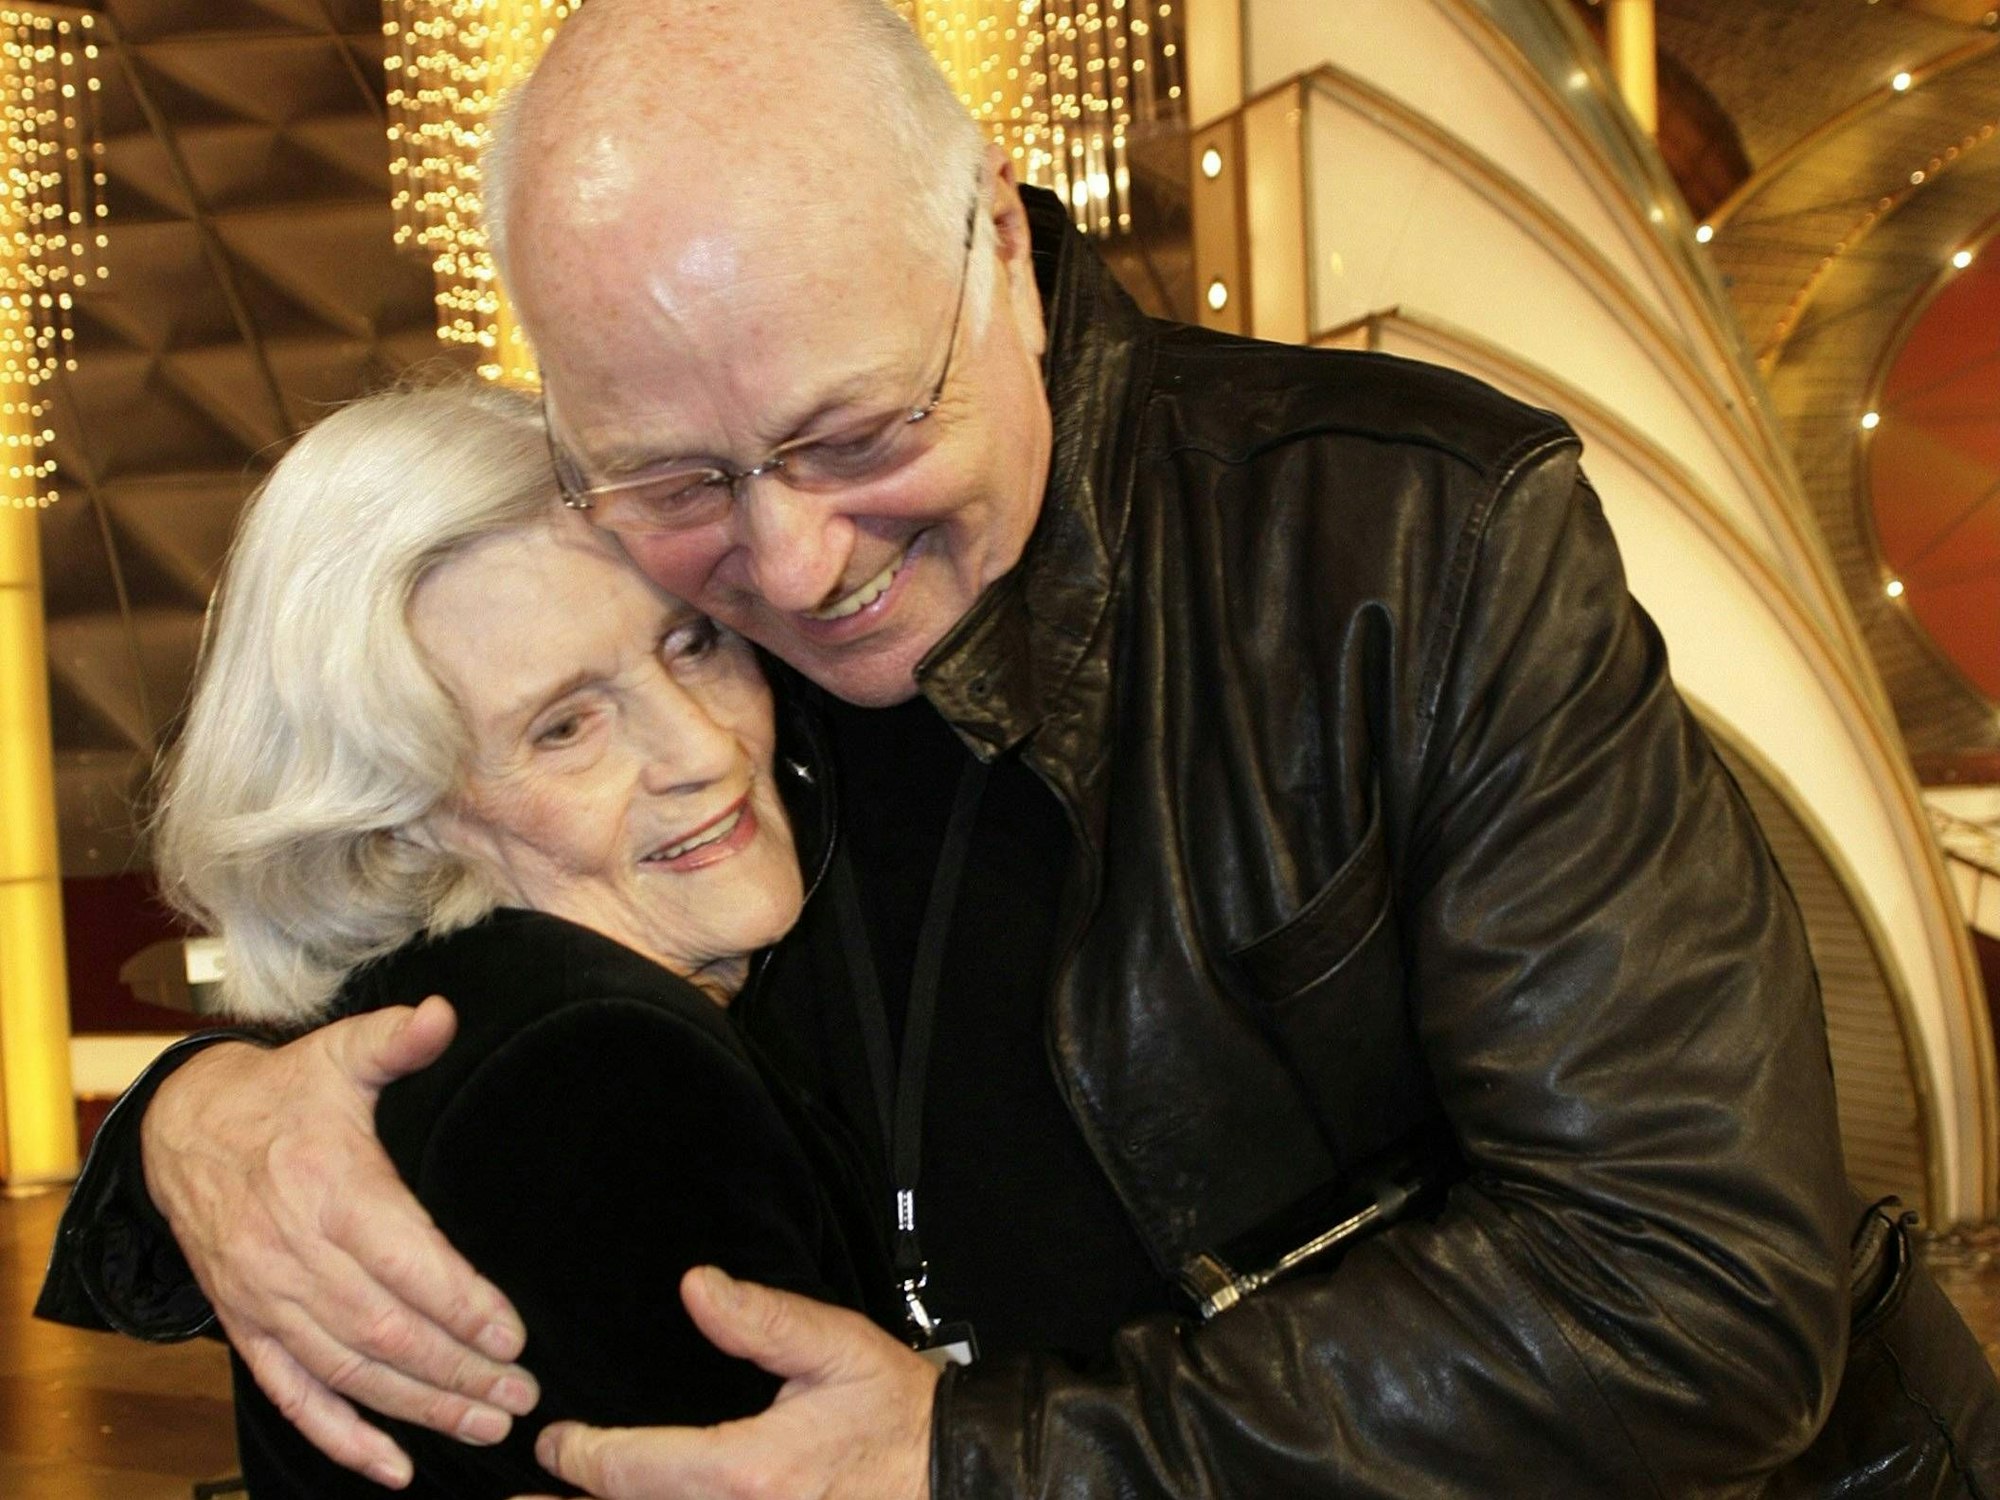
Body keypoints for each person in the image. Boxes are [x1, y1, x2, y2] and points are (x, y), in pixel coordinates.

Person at [41, 0, 2000, 1494]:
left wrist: (985, 1457)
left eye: (854, 432)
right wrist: (196, 1131)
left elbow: (1696, 1293)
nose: (794, 568)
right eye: (678, 478)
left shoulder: (1415, 536)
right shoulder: (665, 594)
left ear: (989, 228)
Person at [82, 381, 893, 1495]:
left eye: (692, 643)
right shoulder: (596, 1067)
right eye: (565, 726)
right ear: (394, 812)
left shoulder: (442, 1024)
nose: (700, 747)